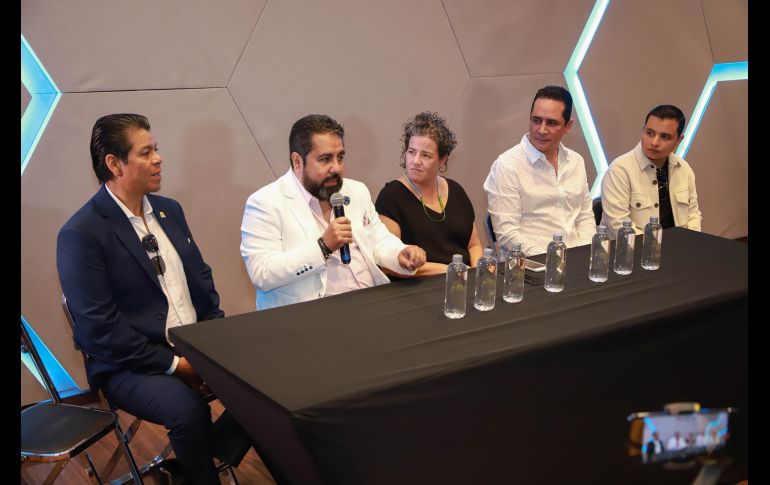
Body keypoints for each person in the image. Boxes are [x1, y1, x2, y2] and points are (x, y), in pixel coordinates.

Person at [57, 114, 248, 485]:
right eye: (145, 152)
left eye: (156, 150)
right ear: (114, 163)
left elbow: (202, 285)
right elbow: (101, 330)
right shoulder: (81, 233)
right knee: (187, 409)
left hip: (194, 348)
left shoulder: (169, 210)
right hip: (127, 365)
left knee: (265, 379)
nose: (158, 159)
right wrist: (178, 366)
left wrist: (214, 348)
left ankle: (198, 462)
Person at [240, 114, 426, 310]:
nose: (336, 168)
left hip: (371, 303)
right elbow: (262, 273)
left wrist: (400, 253)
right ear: (297, 161)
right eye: (325, 159)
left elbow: (378, 239)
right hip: (309, 317)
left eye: (340, 157)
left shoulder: (356, 191)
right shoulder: (265, 203)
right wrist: (323, 246)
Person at [483, 85, 595, 256]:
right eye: (536, 120)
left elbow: (584, 216)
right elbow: (508, 235)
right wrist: (554, 260)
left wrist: (584, 254)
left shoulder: (576, 161)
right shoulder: (507, 165)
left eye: (551, 123)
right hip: (530, 267)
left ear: (568, 125)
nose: (541, 130)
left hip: (575, 262)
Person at [375, 112, 482, 277]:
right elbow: (388, 265)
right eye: (411, 152)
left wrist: (477, 274)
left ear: (442, 159)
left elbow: (473, 245)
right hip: (418, 287)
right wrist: (450, 270)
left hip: (463, 280)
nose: (415, 160)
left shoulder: (456, 190)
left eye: (425, 155)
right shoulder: (391, 197)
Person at [600, 104, 702, 237]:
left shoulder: (684, 169)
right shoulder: (620, 170)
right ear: (643, 130)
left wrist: (690, 244)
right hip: (631, 251)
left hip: (678, 248)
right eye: (650, 133)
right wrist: (655, 248)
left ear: (679, 140)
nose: (654, 142)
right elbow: (619, 226)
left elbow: (693, 215)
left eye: (664, 137)